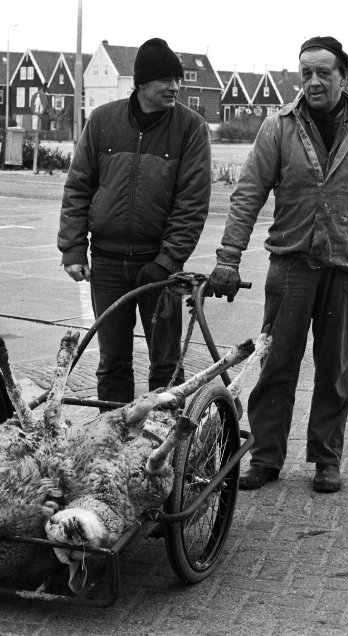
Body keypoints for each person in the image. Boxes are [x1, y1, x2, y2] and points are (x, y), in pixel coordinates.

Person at [209, 36, 348, 492]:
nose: (314, 81)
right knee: (277, 366)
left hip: (345, 268)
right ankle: (264, 458)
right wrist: (228, 258)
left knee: (336, 370)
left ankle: (325, 460)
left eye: (323, 72)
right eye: (306, 73)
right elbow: (248, 194)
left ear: (344, 76)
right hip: (291, 267)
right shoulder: (277, 127)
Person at [58, 37, 212, 407]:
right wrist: (74, 248)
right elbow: (78, 187)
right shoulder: (102, 121)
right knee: (112, 364)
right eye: (166, 81)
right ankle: (113, 440)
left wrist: (167, 262)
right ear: (141, 84)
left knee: (166, 366)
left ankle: (162, 447)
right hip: (108, 265)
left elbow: (192, 204)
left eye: (178, 80)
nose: (175, 88)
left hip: (159, 267)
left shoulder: (190, 128)